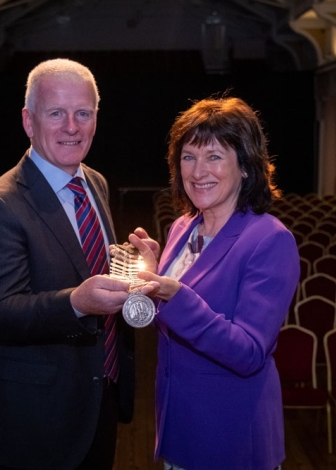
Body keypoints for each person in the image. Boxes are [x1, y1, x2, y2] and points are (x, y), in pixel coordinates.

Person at [0, 58, 157, 470]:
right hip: (40, 416)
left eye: (83, 113)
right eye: (56, 113)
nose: (72, 126)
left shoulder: (95, 182)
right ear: (28, 121)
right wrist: (78, 303)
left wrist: (131, 267)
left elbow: (82, 261)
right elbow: (2, 315)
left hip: (99, 395)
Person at [129, 96, 300, 470]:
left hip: (231, 438)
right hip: (179, 427)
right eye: (188, 157)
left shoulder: (270, 239)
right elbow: (176, 323)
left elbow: (249, 353)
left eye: (215, 156)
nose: (197, 170)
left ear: (245, 166)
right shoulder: (182, 226)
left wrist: (176, 297)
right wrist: (154, 279)